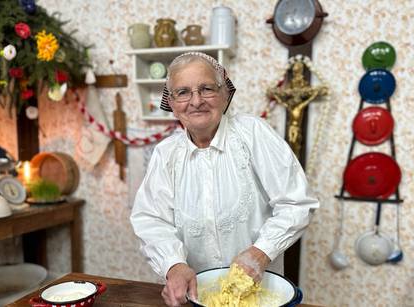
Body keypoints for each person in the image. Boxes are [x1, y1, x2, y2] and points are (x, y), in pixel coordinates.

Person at [130, 52, 319, 306]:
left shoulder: (254, 133)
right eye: (183, 92)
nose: (196, 101)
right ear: (172, 103)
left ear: (224, 94)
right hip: (196, 296)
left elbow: (297, 203)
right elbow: (151, 219)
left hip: (259, 294)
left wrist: (261, 252)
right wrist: (173, 265)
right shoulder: (165, 154)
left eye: (206, 88)